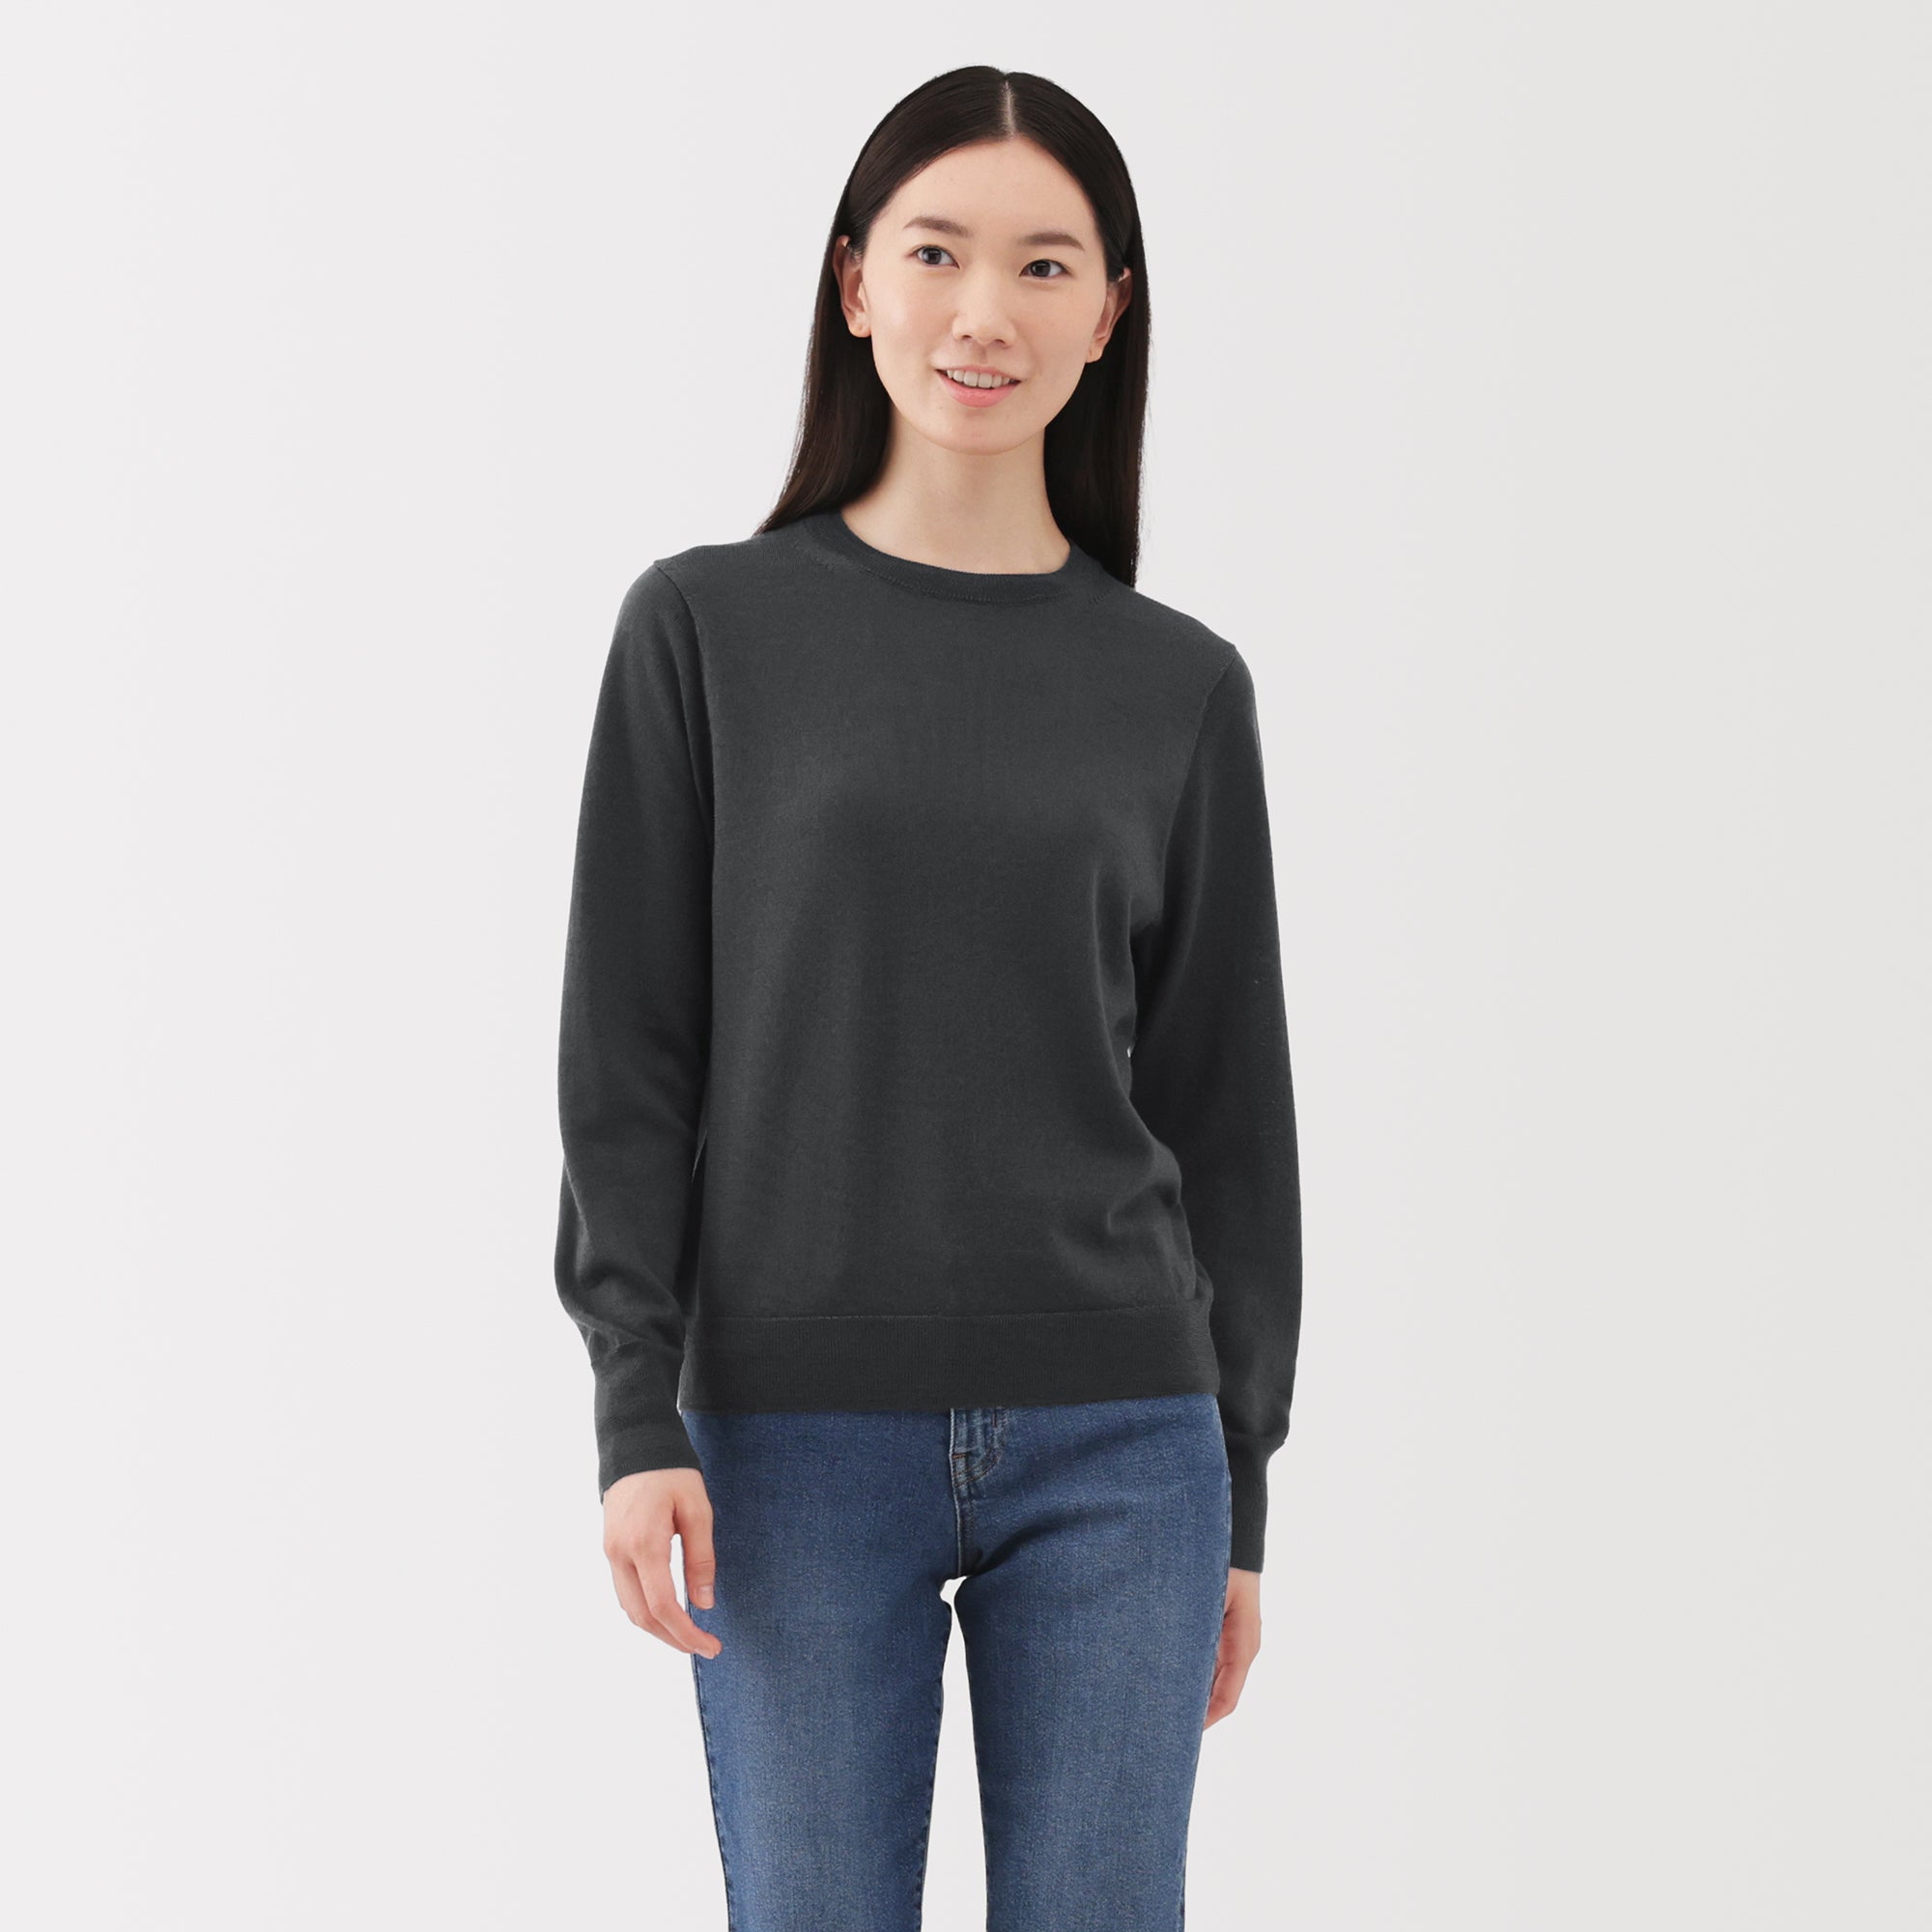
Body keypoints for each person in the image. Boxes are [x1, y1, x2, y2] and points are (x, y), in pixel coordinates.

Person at [554, 64, 1304, 1929]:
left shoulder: (1180, 686)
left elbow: (1228, 1114)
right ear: (854, 283)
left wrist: (1241, 1484)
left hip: (1125, 1441)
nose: (988, 312)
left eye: (1047, 266)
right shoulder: (702, 631)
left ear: (1109, 314)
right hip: (785, 1438)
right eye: (938, 252)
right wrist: (637, 1410)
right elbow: (629, 1062)